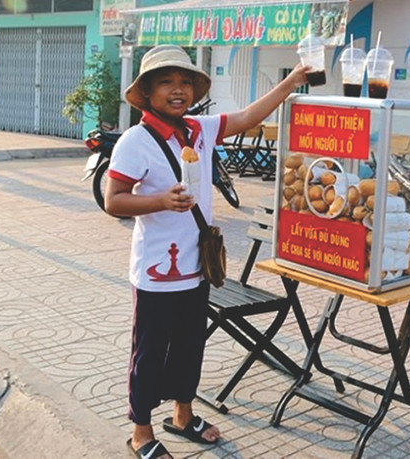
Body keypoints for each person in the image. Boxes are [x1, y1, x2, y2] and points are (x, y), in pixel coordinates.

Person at [105, 45, 307, 459]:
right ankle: (141, 432)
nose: (178, 90)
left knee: (189, 347)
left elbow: (250, 117)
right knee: (149, 353)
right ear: (147, 92)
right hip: (156, 272)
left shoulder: (200, 129)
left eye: (185, 82)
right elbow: (114, 201)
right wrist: (160, 201)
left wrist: (292, 81)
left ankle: (183, 416)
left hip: (196, 268)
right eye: (166, 82)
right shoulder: (134, 141)